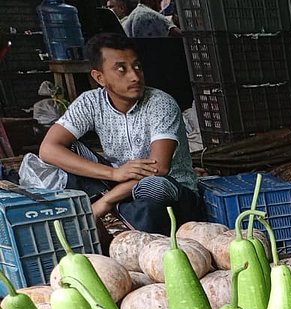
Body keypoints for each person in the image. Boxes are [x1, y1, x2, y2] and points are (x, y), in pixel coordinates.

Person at [37, 31, 202, 236]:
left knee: (154, 186)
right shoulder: (90, 102)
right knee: (67, 150)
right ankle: (105, 227)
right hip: (121, 180)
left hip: (172, 189)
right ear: (100, 77)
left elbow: (158, 168)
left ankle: (116, 211)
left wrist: (106, 201)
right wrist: (114, 173)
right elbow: (47, 149)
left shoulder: (161, 103)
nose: (134, 76)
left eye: (137, 67)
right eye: (121, 69)